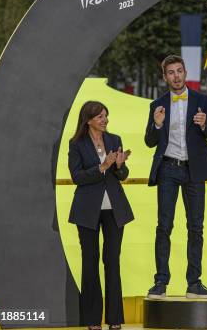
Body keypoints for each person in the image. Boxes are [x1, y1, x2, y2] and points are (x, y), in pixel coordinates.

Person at [145, 55, 207, 299]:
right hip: (168, 168)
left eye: (179, 71)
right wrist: (156, 125)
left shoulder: (202, 100)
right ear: (165, 76)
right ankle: (160, 282)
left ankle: (194, 283)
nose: (176, 76)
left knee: (196, 228)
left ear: (185, 73)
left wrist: (204, 123)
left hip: (194, 170)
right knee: (164, 226)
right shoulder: (157, 104)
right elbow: (149, 142)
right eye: (171, 72)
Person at [68, 101, 134, 330]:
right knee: (90, 263)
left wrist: (119, 165)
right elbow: (77, 176)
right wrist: (102, 167)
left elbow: (123, 175)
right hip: (87, 211)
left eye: (106, 116)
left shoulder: (114, 140)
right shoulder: (76, 144)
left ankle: (115, 320)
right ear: (88, 120)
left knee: (112, 262)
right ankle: (92, 320)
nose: (105, 120)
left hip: (115, 210)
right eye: (100, 117)